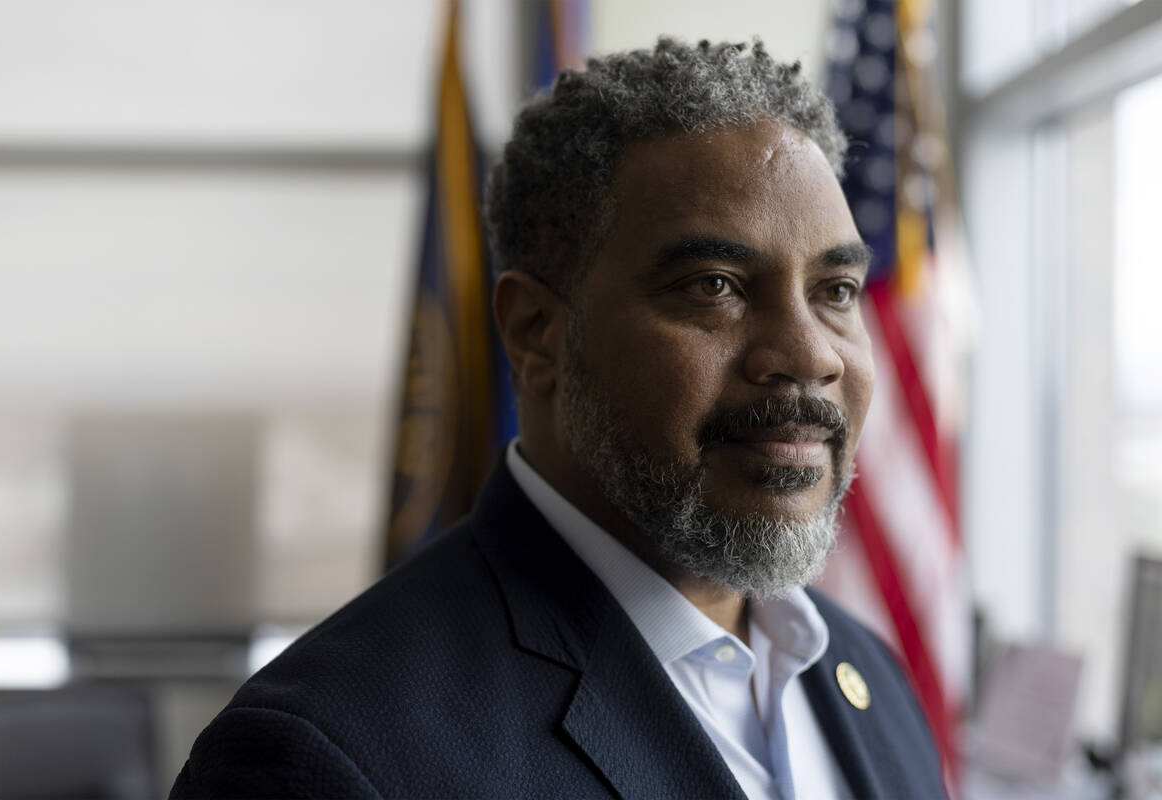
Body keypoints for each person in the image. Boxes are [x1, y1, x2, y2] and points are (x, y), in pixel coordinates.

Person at [171, 38, 946, 799]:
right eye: (715, 286)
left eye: (836, 291)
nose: (810, 356)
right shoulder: (326, 754)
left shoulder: (866, 673)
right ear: (536, 333)